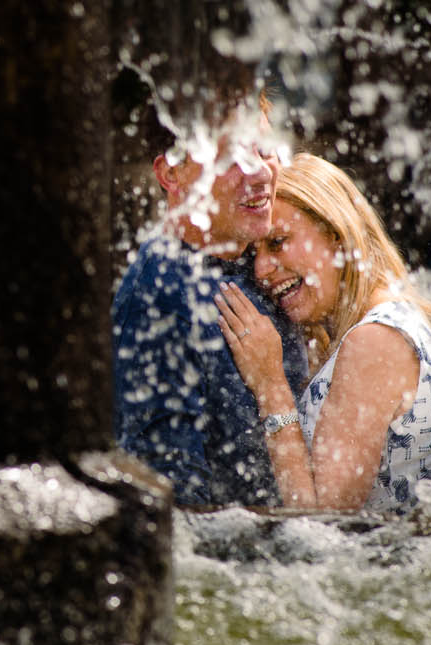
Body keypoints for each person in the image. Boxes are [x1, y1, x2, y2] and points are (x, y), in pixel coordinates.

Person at [213, 153, 431, 520]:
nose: (262, 269)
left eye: (277, 242)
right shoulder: (412, 320)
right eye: (254, 255)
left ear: (335, 234)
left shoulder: (374, 342)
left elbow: (323, 525)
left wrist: (270, 385)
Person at [110, 73, 307, 507]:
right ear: (171, 174)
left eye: (263, 148)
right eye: (233, 156)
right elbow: (177, 503)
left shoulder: (264, 256)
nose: (261, 171)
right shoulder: (160, 294)